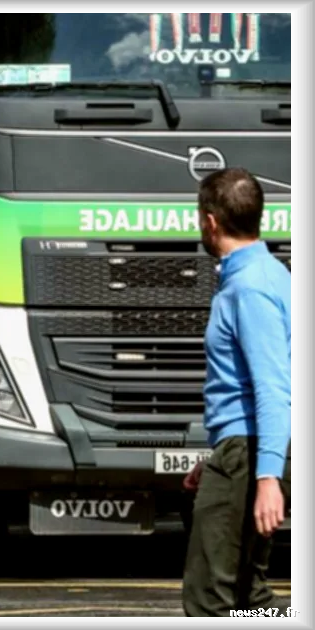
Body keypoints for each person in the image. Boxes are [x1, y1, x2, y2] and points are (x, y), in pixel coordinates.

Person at [182, 167, 291, 617]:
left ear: (210, 222)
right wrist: (218, 459)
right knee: (250, 596)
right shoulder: (272, 275)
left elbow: (272, 386)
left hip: (247, 458)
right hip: (241, 452)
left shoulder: (249, 290)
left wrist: (265, 477)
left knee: (209, 597)